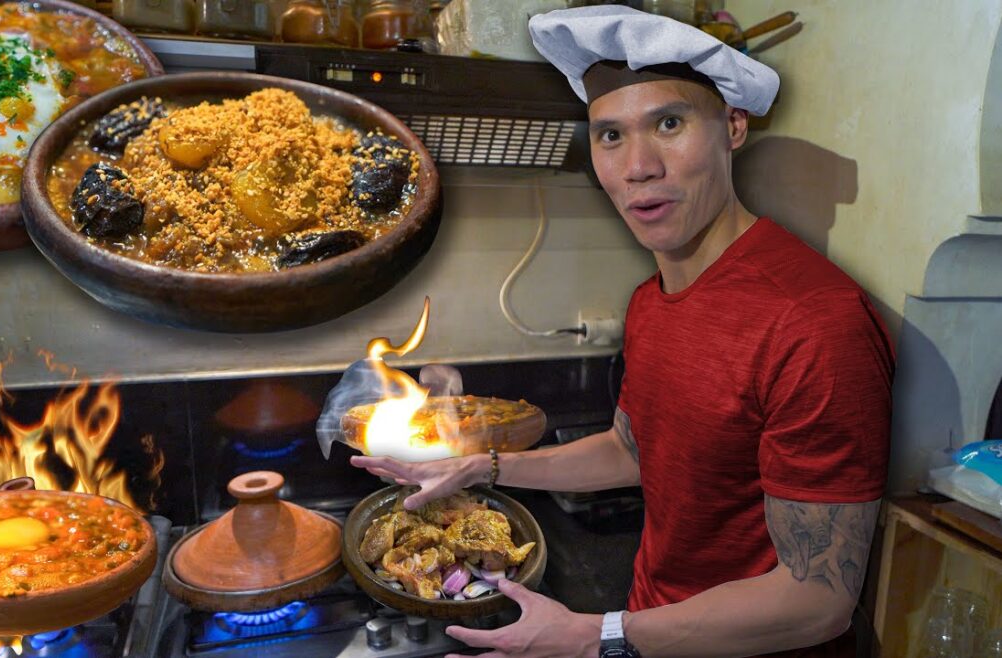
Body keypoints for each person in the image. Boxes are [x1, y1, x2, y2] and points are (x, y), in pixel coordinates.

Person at [350, 6, 894, 658]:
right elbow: (633, 451)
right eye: (610, 135)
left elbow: (817, 602)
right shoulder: (652, 301)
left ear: (734, 127)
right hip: (652, 630)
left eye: (668, 124)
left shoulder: (815, 323)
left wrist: (592, 637)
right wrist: (483, 467)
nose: (637, 167)